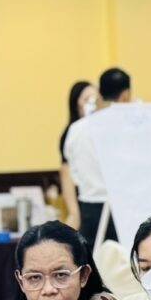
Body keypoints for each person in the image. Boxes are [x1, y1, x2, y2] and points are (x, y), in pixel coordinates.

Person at [63, 67, 132, 248]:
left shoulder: (76, 129)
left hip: (89, 210)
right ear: (125, 95)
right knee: (124, 262)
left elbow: (72, 172)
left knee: (93, 261)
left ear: (100, 93)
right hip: (122, 210)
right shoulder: (130, 127)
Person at [58, 80, 97, 230]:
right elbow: (66, 174)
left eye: (95, 98)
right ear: (76, 104)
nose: (92, 104)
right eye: (87, 99)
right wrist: (74, 213)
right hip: (85, 204)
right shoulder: (72, 133)